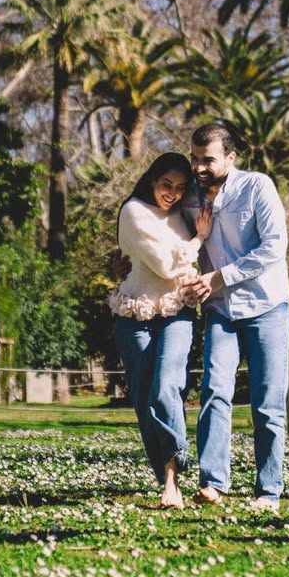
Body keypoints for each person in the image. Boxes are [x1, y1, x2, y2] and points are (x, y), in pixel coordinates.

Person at [179, 123, 289, 513]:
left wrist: (219, 277)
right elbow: (178, 246)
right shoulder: (188, 198)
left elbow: (274, 246)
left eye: (207, 159)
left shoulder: (257, 187)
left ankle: (269, 491)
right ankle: (213, 482)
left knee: (267, 404)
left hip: (268, 307)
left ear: (230, 157)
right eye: (194, 158)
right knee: (214, 390)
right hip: (221, 311)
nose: (198, 167)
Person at [110, 153, 212, 508]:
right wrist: (198, 240)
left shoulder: (183, 214)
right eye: (166, 185)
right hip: (134, 314)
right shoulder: (133, 211)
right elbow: (166, 264)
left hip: (177, 311)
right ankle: (165, 473)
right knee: (144, 398)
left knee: (167, 386)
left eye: (180, 188)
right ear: (152, 179)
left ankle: (173, 480)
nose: (172, 193)